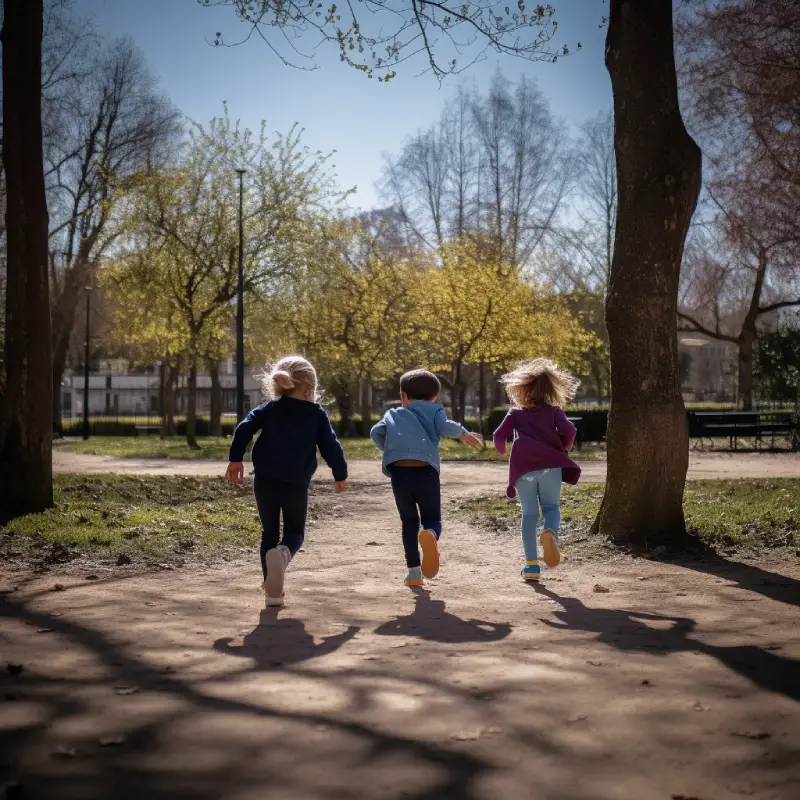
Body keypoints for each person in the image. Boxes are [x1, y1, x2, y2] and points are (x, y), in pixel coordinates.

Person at [226, 356, 347, 607]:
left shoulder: (269, 409)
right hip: (295, 483)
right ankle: (284, 554)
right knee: (294, 532)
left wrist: (236, 459)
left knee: (268, 533)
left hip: (265, 480)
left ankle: (272, 593)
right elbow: (330, 446)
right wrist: (340, 473)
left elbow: (244, 429)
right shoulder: (316, 414)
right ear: (310, 388)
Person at [370, 369, 483, 587]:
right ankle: (430, 533)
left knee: (408, 521)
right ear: (434, 397)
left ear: (403, 396)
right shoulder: (434, 410)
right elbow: (444, 427)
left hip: (400, 474)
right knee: (432, 517)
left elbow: (376, 432)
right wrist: (463, 433)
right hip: (426, 471)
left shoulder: (392, 414)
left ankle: (414, 573)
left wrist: (394, 451)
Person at [492, 359, 581, 583]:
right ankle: (550, 532)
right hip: (551, 466)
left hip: (524, 469)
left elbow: (498, 435)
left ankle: (531, 566)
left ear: (523, 389)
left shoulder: (515, 413)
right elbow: (570, 431)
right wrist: (563, 447)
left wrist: (502, 449)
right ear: (548, 389)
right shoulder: (554, 411)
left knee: (529, 515)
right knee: (551, 507)